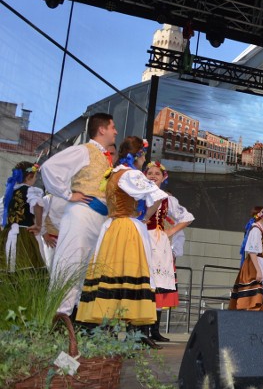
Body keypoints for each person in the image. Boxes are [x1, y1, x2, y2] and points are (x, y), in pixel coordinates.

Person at [75, 136, 166, 348]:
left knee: (111, 276)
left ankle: (104, 331)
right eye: (143, 156)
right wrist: (144, 218)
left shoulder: (112, 173)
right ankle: (132, 334)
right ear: (138, 156)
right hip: (127, 229)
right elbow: (158, 195)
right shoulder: (132, 174)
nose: (144, 160)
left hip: (111, 228)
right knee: (128, 275)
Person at [40, 112, 118, 316]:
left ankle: (71, 319)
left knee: (84, 269)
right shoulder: (85, 150)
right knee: (70, 263)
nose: (115, 131)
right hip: (82, 213)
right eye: (112, 127)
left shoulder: (103, 157)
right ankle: (58, 318)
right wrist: (67, 194)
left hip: (97, 216)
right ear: (102, 129)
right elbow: (49, 167)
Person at [143, 161, 195, 341]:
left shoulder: (167, 199)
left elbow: (187, 217)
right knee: (142, 282)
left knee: (156, 284)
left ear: (163, 177)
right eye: (150, 172)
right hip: (139, 238)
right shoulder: (138, 193)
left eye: (157, 173)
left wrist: (171, 231)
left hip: (157, 242)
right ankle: (140, 331)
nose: (153, 176)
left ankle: (153, 331)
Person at [1, 161, 45, 271]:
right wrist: (38, 225)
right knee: (27, 264)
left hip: (6, 235)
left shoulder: (8, 193)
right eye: (35, 176)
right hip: (25, 234)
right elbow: (37, 205)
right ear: (30, 176)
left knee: (7, 264)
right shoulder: (31, 190)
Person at [229, 205, 263, 311]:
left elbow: (259, 247)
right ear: (261, 216)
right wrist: (258, 271)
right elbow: (252, 251)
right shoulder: (256, 230)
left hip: (262, 263)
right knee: (254, 297)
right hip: (255, 265)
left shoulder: (260, 230)